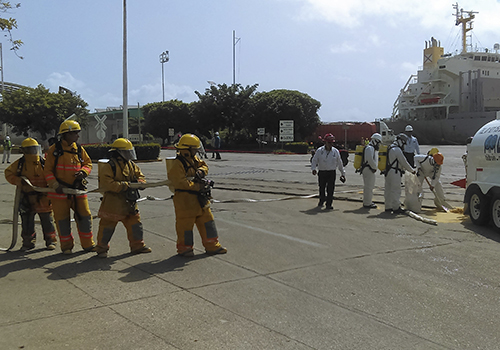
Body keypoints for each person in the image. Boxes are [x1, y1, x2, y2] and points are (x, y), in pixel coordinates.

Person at [168, 133, 227, 256]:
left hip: (200, 199)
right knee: (185, 227)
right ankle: (185, 249)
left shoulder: (194, 159)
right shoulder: (177, 164)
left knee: (208, 222)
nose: (196, 151)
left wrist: (201, 171)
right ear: (187, 149)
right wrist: (198, 186)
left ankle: (212, 246)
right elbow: (180, 183)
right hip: (185, 201)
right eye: (194, 148)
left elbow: (204, 165)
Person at [44, 120, 96, 254]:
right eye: (75, 133)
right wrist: (55, 185)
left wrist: (84, 172)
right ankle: (67, 247)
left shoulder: (79, 149)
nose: (77, 136)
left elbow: (88, 163)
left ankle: (88, 245)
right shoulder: (54, 150)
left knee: (85, 217)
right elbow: (47, 171)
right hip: (59, 192)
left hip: (78, 190)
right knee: (62, 220)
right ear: (66, 134)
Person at [94, 138, 152, 258]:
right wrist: (125, 185)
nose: (128, 155)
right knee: (107, 227)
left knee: (135, 224)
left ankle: (137, 246)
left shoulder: (130, 164)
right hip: (113, 203)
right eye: (126, 152)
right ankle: (101, 249)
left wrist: (141, 182)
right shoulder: (110, 166)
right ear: (118, 152)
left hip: (129, 202)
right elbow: (107, 183)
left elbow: (139, 175)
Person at [5, 138, 57, 251]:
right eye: (30, 149)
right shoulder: (20, 164)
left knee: (47, 221)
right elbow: (8, 173)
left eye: (34, 149)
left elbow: (52, 174)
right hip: (26, 198)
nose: (33, 152)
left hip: (43, 198)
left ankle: (51, 241)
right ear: (24, 151)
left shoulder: (44, 163)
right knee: (27, 222)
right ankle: (28, 243)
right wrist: (19, 181)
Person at [310, 133, 346, 210]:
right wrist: (313, 169)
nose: (330, 144)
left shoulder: (335, 151)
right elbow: (314, 160)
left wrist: (343, 173)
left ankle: (329, 204)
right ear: (325, 142)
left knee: (330, 189)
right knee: (322, 188)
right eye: (329, 142)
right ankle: (321, 200)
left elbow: (340, 163)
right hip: (322, 172)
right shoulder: (320, 151)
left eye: (332, 142)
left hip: (331, 172)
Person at [384, 133, 416, 214]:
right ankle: (396, 207)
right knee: (396, 190)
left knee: (388, 190)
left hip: (388, 172)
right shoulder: (397, 150)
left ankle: (388, 206)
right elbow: (404, 162)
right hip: (395, 172)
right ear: (400, 141)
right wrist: (412, 170)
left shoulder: (390, 147)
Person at [360, 133, 382, 209]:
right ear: (375, 141)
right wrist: (374, 167)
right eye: (378, 142)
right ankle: (367, 203)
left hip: (368, 169)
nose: (378, 145)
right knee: (369, 187)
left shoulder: (370, 148)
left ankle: (367, 201)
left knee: (368, 187)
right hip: (369, 169)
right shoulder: (370, 148)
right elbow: (369, 159)